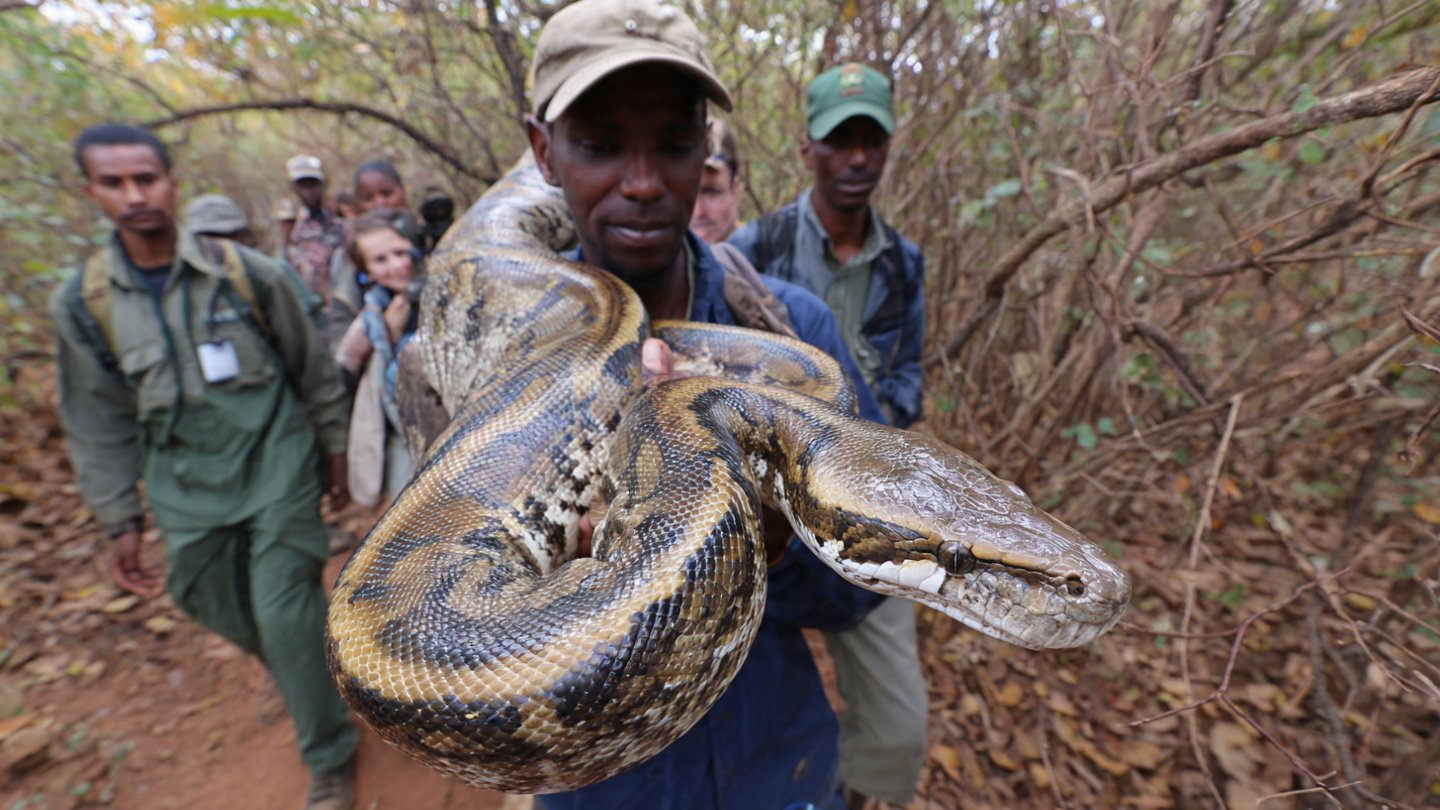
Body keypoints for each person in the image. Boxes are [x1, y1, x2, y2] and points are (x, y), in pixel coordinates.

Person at [522, 2, 886, 808]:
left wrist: (775, 537)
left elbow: (858, 597)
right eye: (601, 144)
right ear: (544, 151)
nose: (644, 182)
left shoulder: (798, 336)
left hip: (778, 765)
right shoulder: (513, 362)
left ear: (706, 151)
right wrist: (582, 566)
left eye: (677, 146)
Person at [49, 123, 359, 810]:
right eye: (115, 183)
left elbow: (311, 366)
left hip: (276, 463)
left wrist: (333, 449)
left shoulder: (246, 274)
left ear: (171, 181)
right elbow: (95, 416)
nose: (135, 196)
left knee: (281, 609)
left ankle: (330, 754)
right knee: (204, 597)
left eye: (146, 178)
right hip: (184, 484)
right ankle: (309, 665)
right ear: (91, 192)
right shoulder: (84, 303)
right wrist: (117, 517)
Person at [728, 63, 929, 810]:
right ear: (808, 147)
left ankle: (856, 794)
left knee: (898, 728)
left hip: (874, 508)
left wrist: (877, 425)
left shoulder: (904, 264)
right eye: (840, 140)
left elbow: (908, 371)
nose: (856, 158)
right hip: (771, 511)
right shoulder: (754, 249)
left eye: (869, 140)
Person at [332, 210, 420, 507]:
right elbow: (345, 368)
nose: (397, 265)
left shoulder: (446, 290)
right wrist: (389, 335)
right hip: (404, 433)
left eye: (400, 252)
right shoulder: (373, 316)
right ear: (366, 272)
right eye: (381, 260)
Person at [324, 160, 421, 347]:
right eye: (368, 198)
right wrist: (385, 333)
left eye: (387, 193)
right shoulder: (348, 258)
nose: (380, 203)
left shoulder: (430, 237)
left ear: (402, 191)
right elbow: (341, 327)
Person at [285, 154, 347, 300]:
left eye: (313, 183)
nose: (309, 191)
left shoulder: (339, 216)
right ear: (295, 188)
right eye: (303, 185)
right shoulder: (290, 223)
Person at [691, 117, 744, 244]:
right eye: (688, 193)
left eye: (712, 192)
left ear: (735, 191)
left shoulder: (759, 257)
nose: (699, 211)